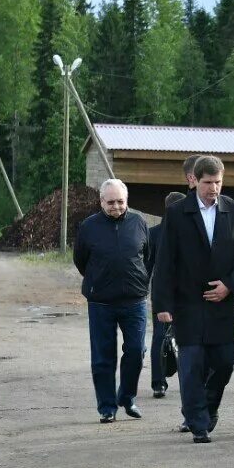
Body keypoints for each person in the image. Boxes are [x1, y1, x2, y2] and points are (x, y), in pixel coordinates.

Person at [151, 155, 234, 443]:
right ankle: (198, 423)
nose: (214, 188)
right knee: (192, 362)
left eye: (218, 182)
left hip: (222, 302)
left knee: (224, 362)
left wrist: (229, 285)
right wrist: (162, 305)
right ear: (195, 180)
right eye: (208, 183)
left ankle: (208, 408)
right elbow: (165, 262)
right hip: (188, 302)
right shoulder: (177, 213)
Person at [73, 179, 153, 423]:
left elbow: (146, 256)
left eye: (120, 201)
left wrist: (138, 281)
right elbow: (81, 261)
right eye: (111, 202)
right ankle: (107, 407)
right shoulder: (89, 227)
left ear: (127, 201)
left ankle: (127, 397)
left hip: (134, 301)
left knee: (136, 351)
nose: (116, 206)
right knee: (103, 357)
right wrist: (100, 281)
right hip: (101, 303)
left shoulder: (139, 223)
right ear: (101, 202)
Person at [148, 190, 186, 399]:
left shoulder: (154, 232)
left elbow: (147, 267)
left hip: (161, 291)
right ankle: (179, 380)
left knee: (160, 336)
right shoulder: (156, 234)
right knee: (179, 337)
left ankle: (158, 383)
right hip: (172, 292)